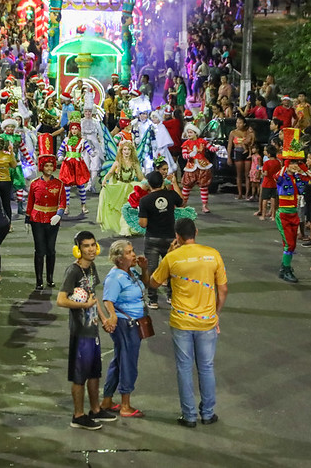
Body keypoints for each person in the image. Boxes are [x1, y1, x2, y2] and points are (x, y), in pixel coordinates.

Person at [150, 218, 228, 428]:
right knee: (206, 367)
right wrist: (216, 314)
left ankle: (189, 416)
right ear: (196, 232)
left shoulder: (172, 258)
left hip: (181, 322)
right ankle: (208, 413)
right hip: (207, 322)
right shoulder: (213, 254)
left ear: (177, 236)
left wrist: (168, 253)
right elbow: (223, 290)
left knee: (184, 369)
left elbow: (154, 283)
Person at [55, 231, 115, 430]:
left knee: (94, 373)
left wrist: (104, 318)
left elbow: (92, 296)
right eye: (86, 246)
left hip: (93, 330)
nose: (90, 249)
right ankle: (78, 415)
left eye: (92, 245)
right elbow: (61, 300)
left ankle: (95, 410)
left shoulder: (92, 268)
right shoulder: (72, 271)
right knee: (80, 375)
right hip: (80, 332)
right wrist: (83, 306)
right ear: (77, 249)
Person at [100, 240, 149, 418]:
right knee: (128, 362)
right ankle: (125, 405)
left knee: (119, 360)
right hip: (125, 324)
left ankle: (107, 399)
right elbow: (107, 300)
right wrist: (112, 316)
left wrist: (144, 269)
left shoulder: (131, 272)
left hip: (134, 322)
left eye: (133, 251)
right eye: (129, 252)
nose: (134, 254)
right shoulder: (115, 277)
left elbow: (146, 284)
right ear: (119, 259)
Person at [274, 129, 311, 283]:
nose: (294, 165)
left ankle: (284, 268)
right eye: (291, 163)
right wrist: (287, 162)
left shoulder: (299, 178)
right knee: (290, 244)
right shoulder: (281, 177)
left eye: (296, 162)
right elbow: (279, 174)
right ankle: (285, 270)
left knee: (291, 246)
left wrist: (303, 168)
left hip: (294, 215)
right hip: (284, 215)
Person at [138, 170, 184, 309]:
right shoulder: (170, 195)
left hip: (152, 239)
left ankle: (153, 300)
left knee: (151, 269)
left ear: (149, 184)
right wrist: (175, 184)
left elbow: (143, 223)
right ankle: (171, 296)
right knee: (171, 269)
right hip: (170, 238)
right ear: (162, 182)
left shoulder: (145, 200)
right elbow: (182, 202)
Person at [26, 135, 66, 290]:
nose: (49, 168)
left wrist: (59, 214)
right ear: (42, 166)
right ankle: (38, 280)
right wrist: (27, 220)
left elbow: (62, 202)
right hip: (37, 219)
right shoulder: (34, 184)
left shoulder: (59, 184)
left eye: (51, 166)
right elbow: (30, 202)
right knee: (39, 250)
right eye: (46, 166)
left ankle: (49, 278)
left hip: (53, 220)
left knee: (51, 249)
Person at [97, 141, 144, 236]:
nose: (126, 151)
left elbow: (140, 177)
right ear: (121, 151)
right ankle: (123, 229)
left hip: (131, 188)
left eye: (129, 149)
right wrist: (105, 179)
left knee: (129, 209)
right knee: (120, 209)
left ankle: (127, 229)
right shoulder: (118, 163)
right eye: (125, 149)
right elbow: (110, 173)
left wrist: (148, 183)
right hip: (119, 189)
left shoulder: (135, 164)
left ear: (132, 151)